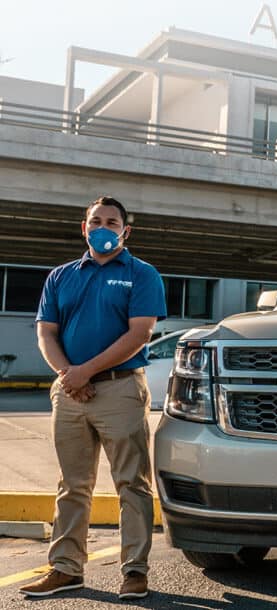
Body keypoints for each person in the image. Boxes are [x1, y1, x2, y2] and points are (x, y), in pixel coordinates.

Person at [20, 196, 166, 600]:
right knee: (72, 484)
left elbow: (139, 334)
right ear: (84, 228)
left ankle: (134, 571)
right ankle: (66, 569)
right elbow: (45, 333)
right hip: (69, 392)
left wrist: (86, 372)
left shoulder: (142, 274)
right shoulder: (61, 276)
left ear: (125, 230)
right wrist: (69, 375)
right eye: (96, 221)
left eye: (112, 221)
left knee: (132, 484)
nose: (104, 226)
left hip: (120, 389)